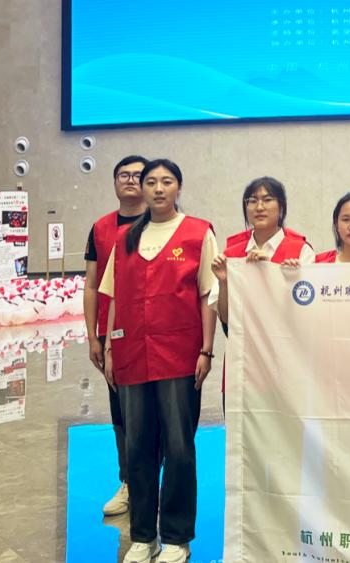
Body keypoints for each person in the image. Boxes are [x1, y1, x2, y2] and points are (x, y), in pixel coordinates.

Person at [99, 159, 218, 563]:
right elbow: (114, 298)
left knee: (179, 448)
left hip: (179, 356)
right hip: (132, 354)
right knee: (138, 447)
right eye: (151, 181)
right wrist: (110, 348)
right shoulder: (125, 238)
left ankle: (177, 538)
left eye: (166, 181)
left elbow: (208, 295)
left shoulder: (198, 233)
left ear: (178, 187)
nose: (158, 188)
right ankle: (143, 536)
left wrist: (206, 349)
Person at [82, 154, 147, 517]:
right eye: (124, 175)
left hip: (159, 335)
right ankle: (129, 482)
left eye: (139, 175)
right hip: (114, 337)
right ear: (114, 182)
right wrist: (94, 337)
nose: (131, 180)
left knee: (158, 414)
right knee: (122, 413)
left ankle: (154, 484)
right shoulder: (101, 228)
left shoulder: (165, 224)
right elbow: (92, 285)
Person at [209, 176, 314, 326]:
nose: (259, 207)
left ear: (281, 207)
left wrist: (271, 272)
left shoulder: (302, 251)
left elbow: (308, 311)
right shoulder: (230, 255)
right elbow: (226, 319)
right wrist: (224, 282)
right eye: (252, 201)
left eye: (267, 199)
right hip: (243, 341)